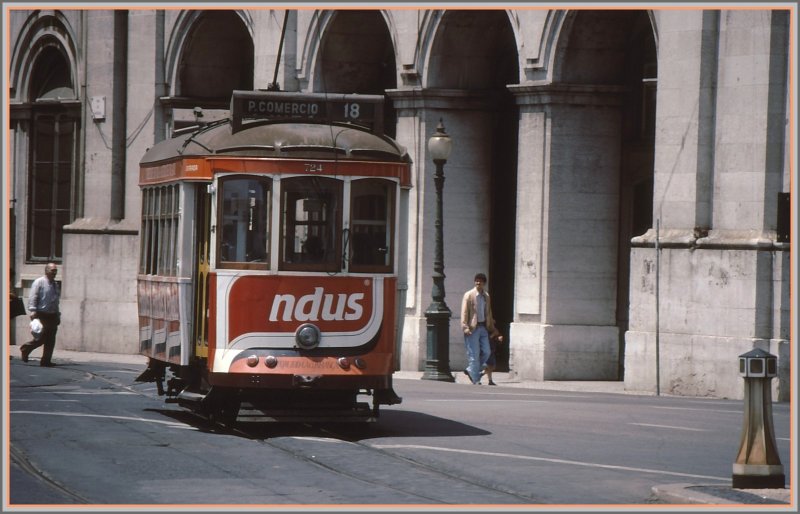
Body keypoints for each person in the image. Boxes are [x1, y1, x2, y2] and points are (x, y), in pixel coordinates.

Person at [20, 262, 61, 367]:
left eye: (55, 271)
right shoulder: (39, 282)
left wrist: (58, 314)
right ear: (46, 271)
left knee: (51, 339)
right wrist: (33, 311)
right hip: (41, 314)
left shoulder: (55, 284)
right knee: (40, 339)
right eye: (52, 271)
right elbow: (33, 296)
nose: (54, 273)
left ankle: (46, 361)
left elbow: (56, 301)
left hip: (52, 315)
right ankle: (26, 348)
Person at [460, 272, 496, 385]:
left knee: (487, 351)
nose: (478, 282)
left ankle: (471, 370)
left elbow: (488, 312)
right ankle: (476, 380)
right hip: (472, 328)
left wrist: (491, 327)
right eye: (476, 280)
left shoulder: (486, 296)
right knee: (474, 354)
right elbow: (464, 312)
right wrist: (465, 327)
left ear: (484, 283)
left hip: (483, 327)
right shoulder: (469, 295)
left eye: (480, 281)